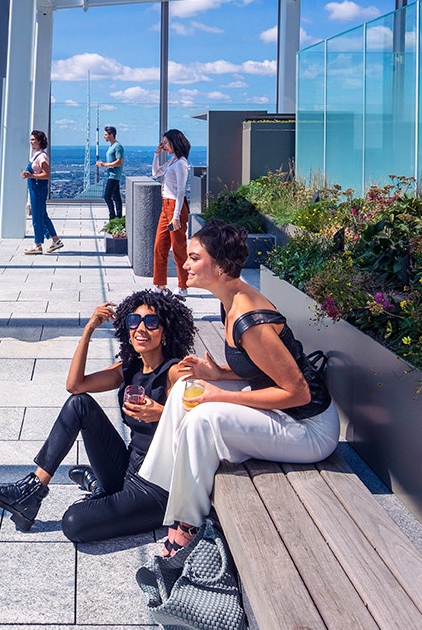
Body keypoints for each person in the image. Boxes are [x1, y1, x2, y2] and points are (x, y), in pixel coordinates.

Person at [137, 221, 340, 556]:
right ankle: (161, 488)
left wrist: (222, 394)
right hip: (282, 413)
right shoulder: (229, 301)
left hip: (309, 429)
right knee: (190, 384)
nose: (184, 264)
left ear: (219, 266)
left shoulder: (249, 319)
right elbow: (262, 368)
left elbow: (298, 392)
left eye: (193, 258)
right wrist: (218, 374)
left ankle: (187, 525)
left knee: (206, 417)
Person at [0, 289, 193, 540]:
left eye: (152, 322)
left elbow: (203, 417)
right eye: (134, 321)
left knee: (73, 523)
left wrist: (162, 413)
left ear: (165, 330)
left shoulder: (175, 372)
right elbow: (75, 385)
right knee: (79, 403)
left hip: (156, 488)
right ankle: (34, 489)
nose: (141, 329)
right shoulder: (130, 368)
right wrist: (89, 330)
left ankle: (100, 488)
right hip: (129, 467)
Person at [151, 128, 192, 292]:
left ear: (175, 142)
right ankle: (159, 284)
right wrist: (156, 153)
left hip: (176, 208)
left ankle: (183, 286)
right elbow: (155, 173)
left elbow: (181, 191)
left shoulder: (181, 163)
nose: (164, 145)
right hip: (165, 207)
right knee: (159, 246)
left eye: (166, 142)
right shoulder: (172, 161)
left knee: (178, 248)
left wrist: (176, 217)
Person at [22, 130, 64, 255]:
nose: (31, 142)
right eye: (30, 140)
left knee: (37, 217)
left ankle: (38, 244)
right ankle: (56, 240)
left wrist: (31, 175)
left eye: (33, 140)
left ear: (40, 141)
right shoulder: (35, 155)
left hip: (38, 189)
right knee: (43, 216)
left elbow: (47, 174)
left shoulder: (42, 157)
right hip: (35, 188)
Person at [96, 125, 125, 221]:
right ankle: (119, 217)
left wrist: (105, 165)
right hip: (111, 174)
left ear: (111, 135)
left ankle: (112, 216)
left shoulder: (118, 146)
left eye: (105, 134)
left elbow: (119, 161)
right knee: (116, 197)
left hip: (114, 175)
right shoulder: (112, 146)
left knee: (107, 196)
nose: (104, 136)